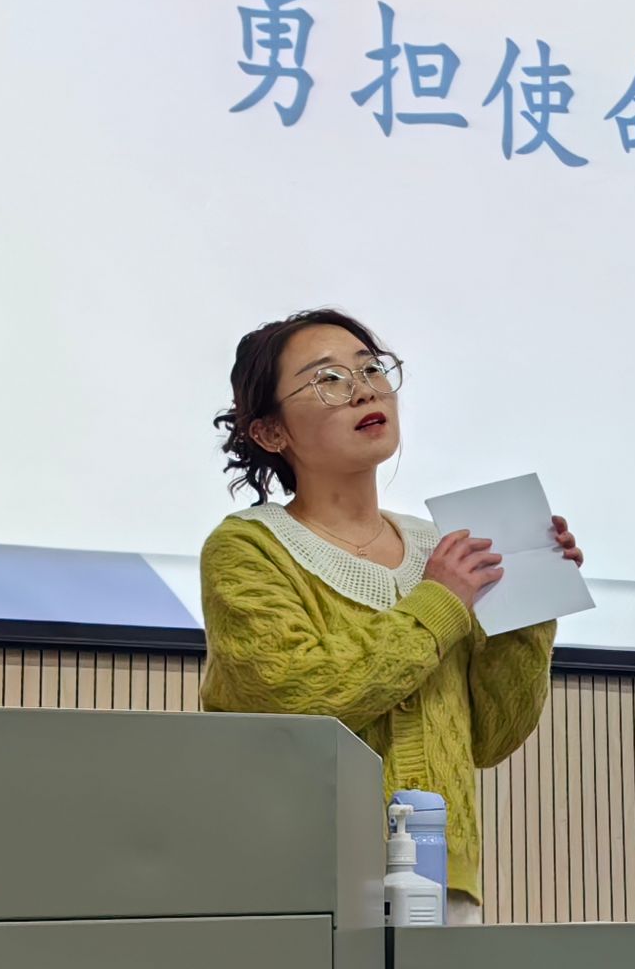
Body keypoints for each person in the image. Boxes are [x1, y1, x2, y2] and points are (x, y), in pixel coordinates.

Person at [199, 309, 583, 926]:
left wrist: (530, 601)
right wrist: (439, 604)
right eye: (328, 379)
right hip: (295, 881)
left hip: (443, 884)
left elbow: (491, 737)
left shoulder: (445, 550)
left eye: (371, 369)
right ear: (270, 433)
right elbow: (293, 696)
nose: (364, 390)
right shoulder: (249, 547)